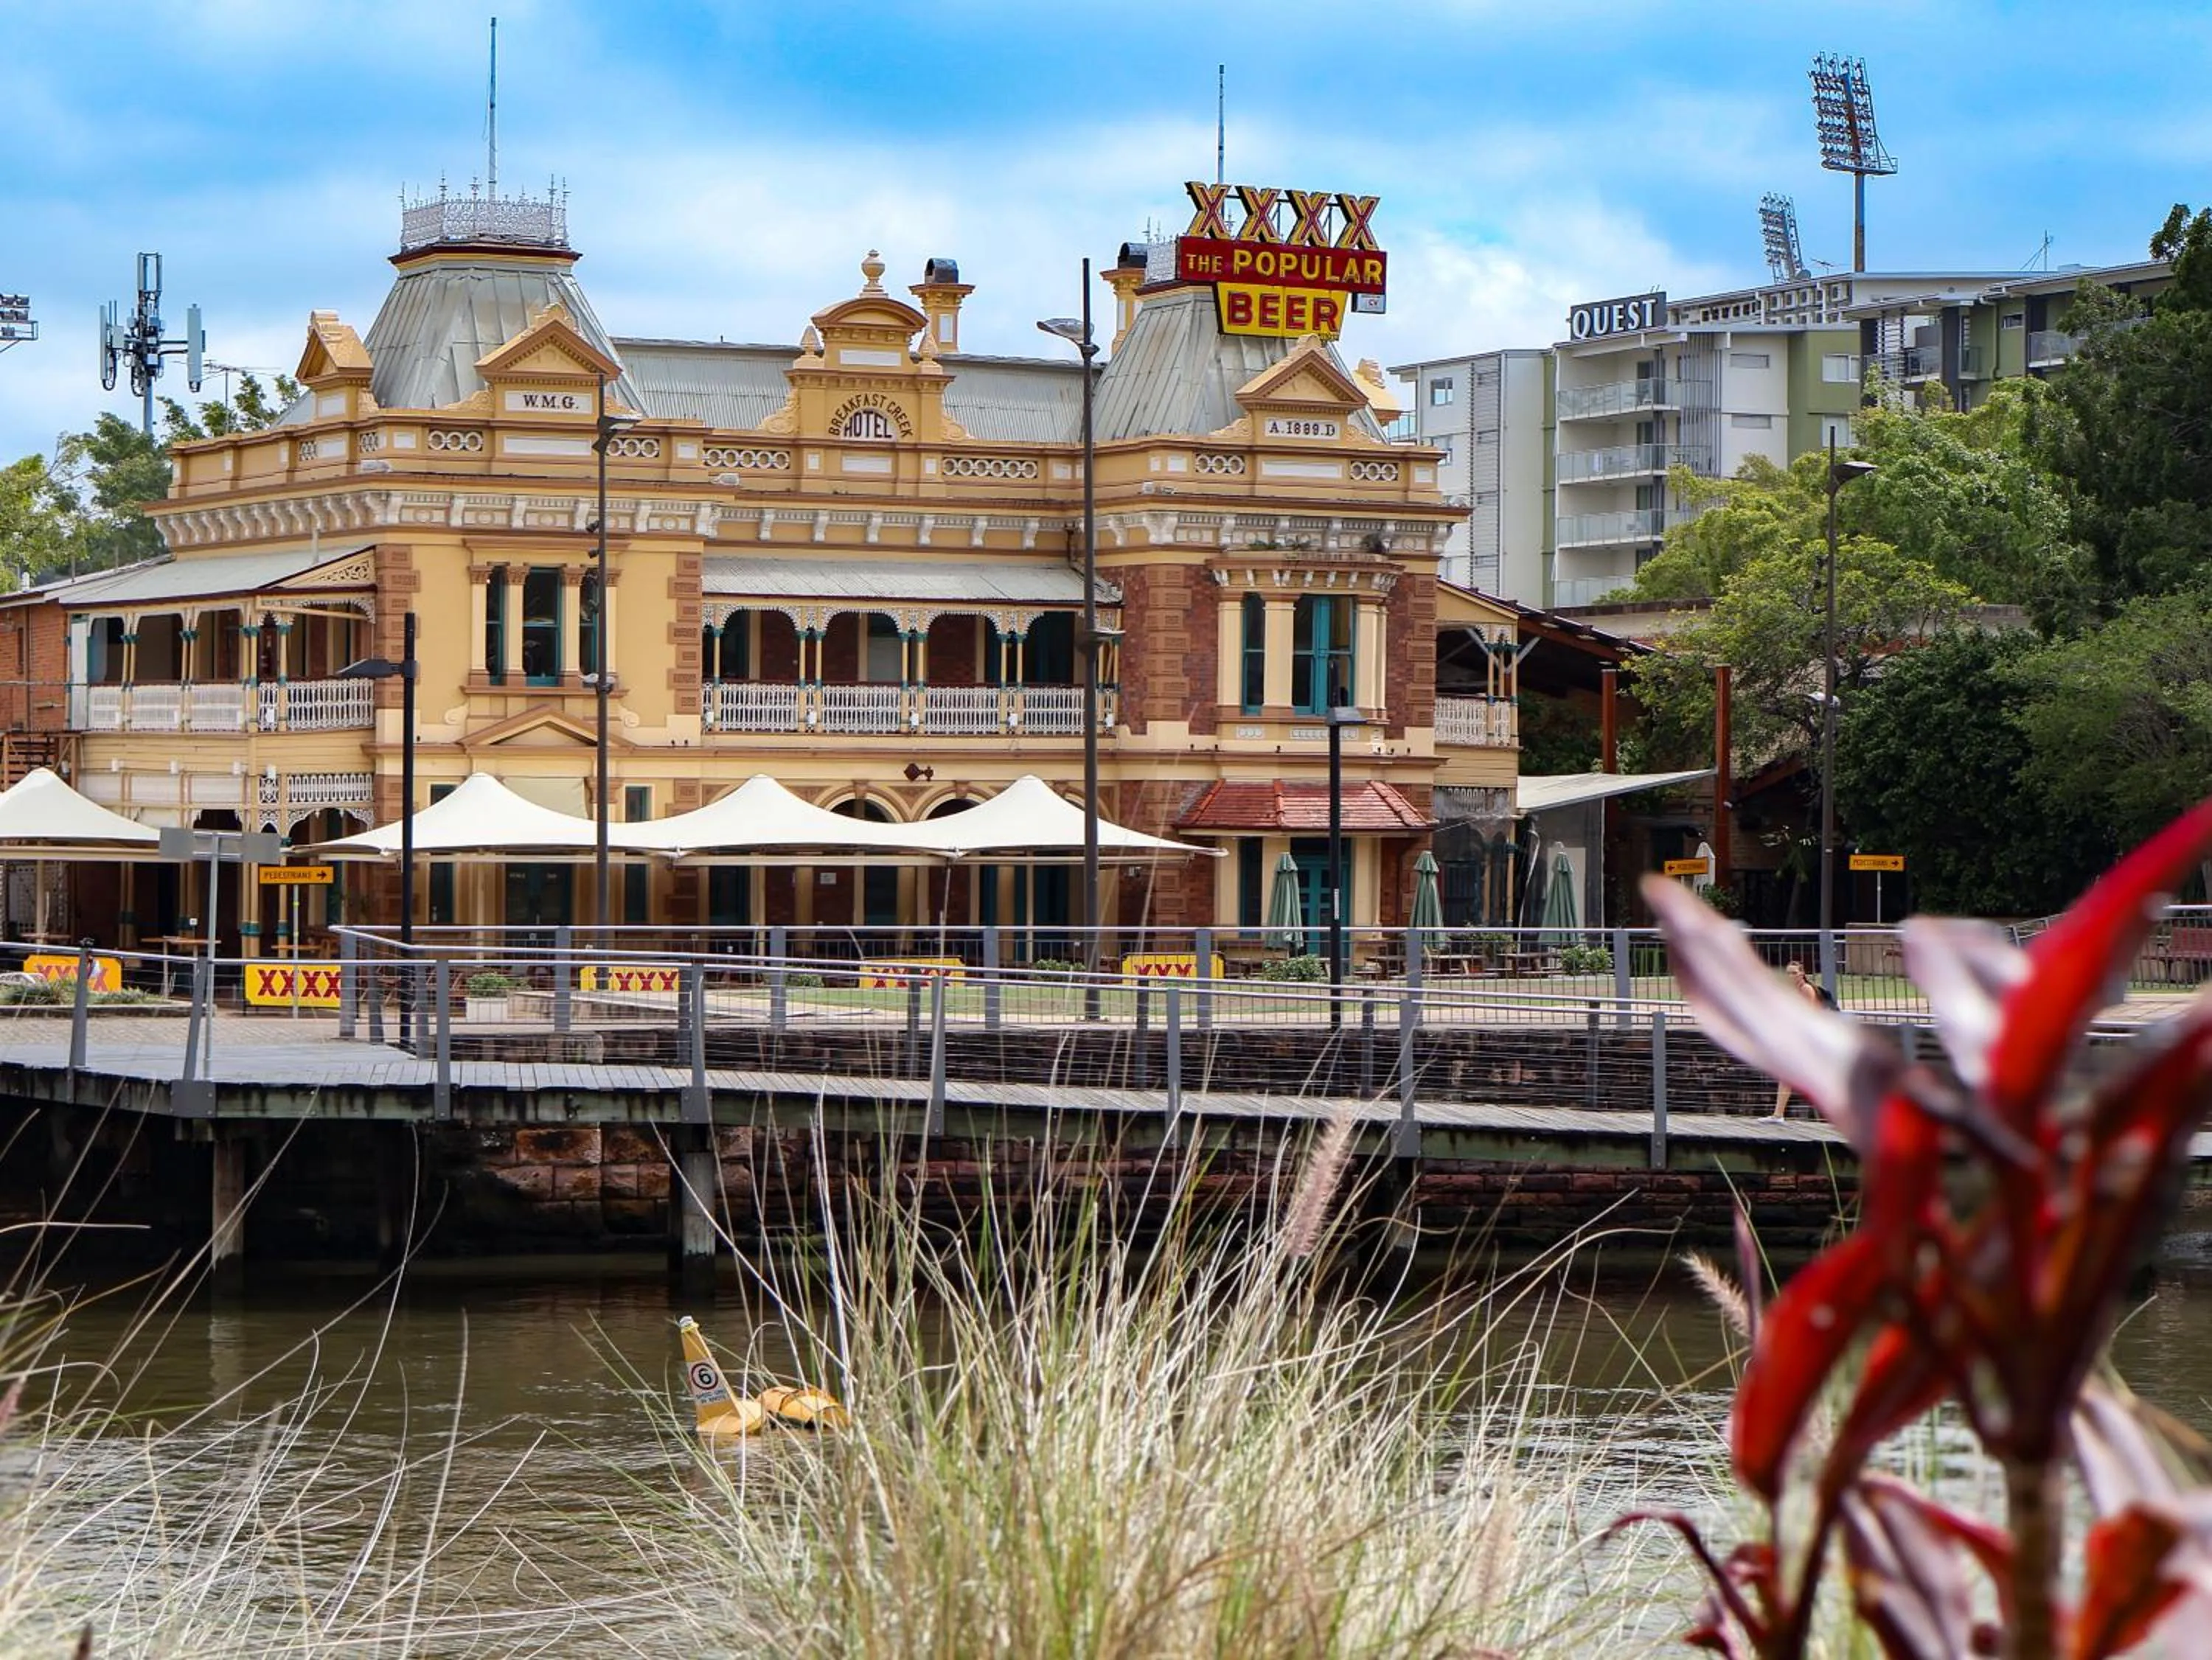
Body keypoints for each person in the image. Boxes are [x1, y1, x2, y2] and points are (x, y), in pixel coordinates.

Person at [1770, 960, 1828, 1120]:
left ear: (1802, 974)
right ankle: (1778, 1115)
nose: (1791, 976)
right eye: (1788, 973)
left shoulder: (1806, 989)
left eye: (1794, 973)